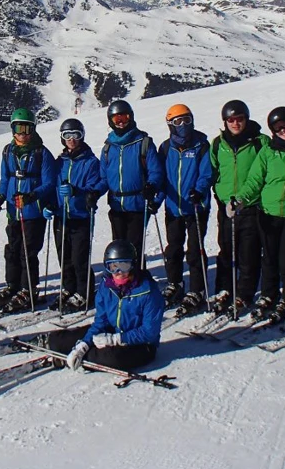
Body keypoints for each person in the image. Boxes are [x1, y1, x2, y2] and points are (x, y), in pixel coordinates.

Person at [228, 107, 285, 322]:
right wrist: (240, 199)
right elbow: (255, 180)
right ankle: (269, 294)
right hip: (268, 212)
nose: (283, 130)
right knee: (270, 258)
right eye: (277, 128)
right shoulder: (268, 151)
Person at [45, 239, 164, 371]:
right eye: (113, 267)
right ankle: (53, 342)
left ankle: (82, 357)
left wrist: (117, 339)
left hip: (141, 345)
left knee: (111, 358)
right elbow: (101, 321)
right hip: (113, 330)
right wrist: (83, 345)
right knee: (65, 340)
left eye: (124, 266)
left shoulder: (148, 291)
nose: (118, 272)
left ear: (133, 266)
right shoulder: (107, 287)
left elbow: (149, 332)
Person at [0, 108, 56, 312]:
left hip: (33, 212)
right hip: (13, 211)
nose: (23, 133)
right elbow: (5, 178)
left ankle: (28, 289)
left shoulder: (41, 153)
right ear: (13, 129)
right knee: (12, 250)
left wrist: (32, 196)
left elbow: (49, 182)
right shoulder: (8, 152)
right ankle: (13, 286)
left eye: (28, 128)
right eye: (19, 128)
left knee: (28, 252)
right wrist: (1, 197)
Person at [153, 104, 213, 313]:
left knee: (195, 250)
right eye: (178, 122)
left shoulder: (201, 146)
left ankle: (198, 289)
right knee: (173, 249)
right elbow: (161, 178)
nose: (183, 125)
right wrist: (156, 199)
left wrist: (199, 190)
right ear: (170, 125)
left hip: (196, 207)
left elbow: (206, 174)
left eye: (187, 120)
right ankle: (175, 283)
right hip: (173, 208)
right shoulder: (165, 148)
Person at [210, 100, 269, 314]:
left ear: (247, 118)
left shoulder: (260, 142)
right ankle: (225, 289)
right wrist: (218, 194)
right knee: (226, 248)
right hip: (226, 206)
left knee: (248, 252)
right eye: (231, 120)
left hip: (251, 206)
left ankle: (244, 293)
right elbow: (213, 171)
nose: (236, 123)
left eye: (240, 119)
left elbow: (267, 171)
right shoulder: (218, 144)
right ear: (225, 121)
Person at [44, 118, 105, 312]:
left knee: (79, 257)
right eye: (67, 136)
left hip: (80, 216)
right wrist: (50, 205)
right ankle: (69, 287)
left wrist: (77, 191)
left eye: (75, 135)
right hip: (62, 216)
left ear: (82, 136)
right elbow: (52, 186)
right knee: (64, 256)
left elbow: (94, 187)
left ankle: (84, 291)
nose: (71, 140)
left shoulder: (90, 162)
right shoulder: (58, 162)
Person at [99, 99, 163, 265]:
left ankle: (138, 280)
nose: (121, 123)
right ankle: (121, 281)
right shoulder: (108, 148)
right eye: (116, 119)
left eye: (124, 118)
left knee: (134, 247)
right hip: (116, 205)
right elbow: (104, 178)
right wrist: (93, 192)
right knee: (118, 247)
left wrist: (152, 186)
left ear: (131, 118)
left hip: (137, 204)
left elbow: (155, 171)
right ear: (110, 121)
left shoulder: (143, 143)